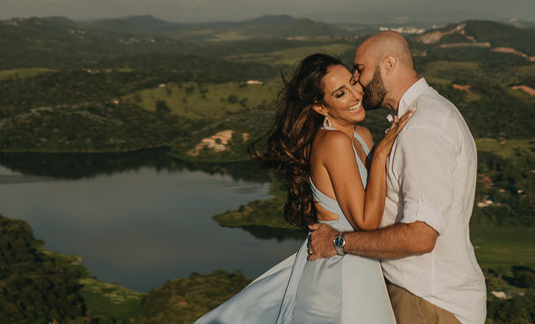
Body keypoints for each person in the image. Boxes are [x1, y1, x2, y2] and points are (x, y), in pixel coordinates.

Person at [196, 53, 410, 324]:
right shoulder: (333, 142)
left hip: (363, 264)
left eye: (354, 83)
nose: (356, 95)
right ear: (320, 107)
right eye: (341, 93)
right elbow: (366, 222)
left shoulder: (362, 135)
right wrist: (380, 156)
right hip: (341, 274)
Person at [307, 31, 487, 324]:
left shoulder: (421, 128)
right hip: (420, 293)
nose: (358, 82)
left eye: (360, 70)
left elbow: (420, 237)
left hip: (426, 299)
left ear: (388, 65)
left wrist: (338, 242)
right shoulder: (425, 115)